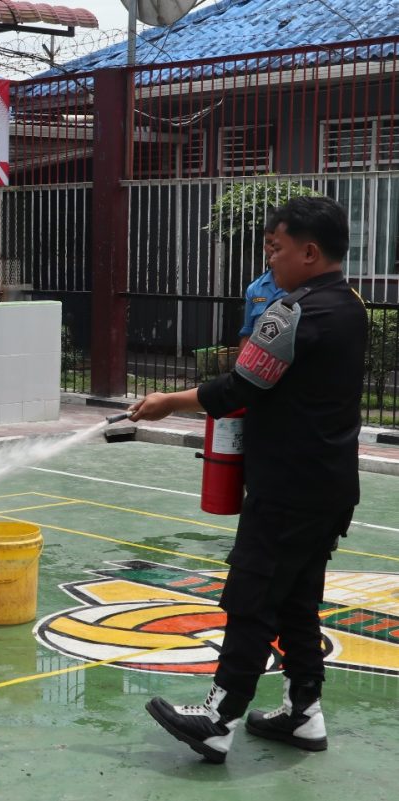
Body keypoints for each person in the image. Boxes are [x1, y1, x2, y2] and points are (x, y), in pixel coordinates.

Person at [128, 196, 367, 764]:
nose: (270, 263)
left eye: (276, 250)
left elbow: (240, 386)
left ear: (310, 252)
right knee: (297, 602)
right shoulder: (351, 304)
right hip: (328, 487)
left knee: (251, 598)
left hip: (287, 489)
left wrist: (169, 401)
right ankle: (302, 713)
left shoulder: (295, 311)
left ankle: (218, 717)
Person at [238, 224, 286, 353]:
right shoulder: (255, 288)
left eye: (277, 244)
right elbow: (247, 334)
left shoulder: (304, 286)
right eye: (268, 242)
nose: (272, 248)